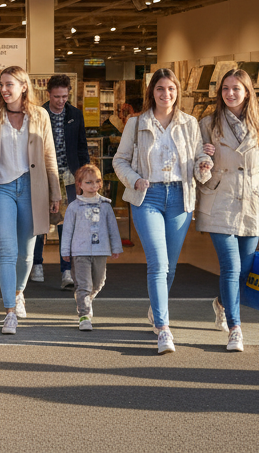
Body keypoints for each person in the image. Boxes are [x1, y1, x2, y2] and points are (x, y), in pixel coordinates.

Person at [112, 67, 212, 355]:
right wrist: (135, 179)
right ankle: (164, 330)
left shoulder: (190, 123)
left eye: (171, 89)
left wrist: (204, 165)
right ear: (151, 92)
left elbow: (197, 162)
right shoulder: (137, 123)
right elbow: (120, 161)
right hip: (148, 196)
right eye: (160, 89)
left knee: (170, 264)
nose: (166, 94)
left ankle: (157, 311)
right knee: (158, 262)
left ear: (177, 91)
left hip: (180, 196)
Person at [197, 68, 259, 353]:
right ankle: (235, 328)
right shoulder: (208, 124)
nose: (230, 93)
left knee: (244, 270)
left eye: (236, 88)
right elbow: (196, 171)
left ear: (247, 92)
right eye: (225, 88)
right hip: (219, 201)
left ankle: (221, 302)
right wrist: (204, 163)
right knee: (231, 267)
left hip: (253, 204)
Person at [0, 66, 63, 335]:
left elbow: (49, 155)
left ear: (24, 86)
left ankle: (18, 293)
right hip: (2, 188)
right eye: (1, 84)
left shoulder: (39, 115)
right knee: (7, 251)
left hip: (31, 189)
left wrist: (55, 192)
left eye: (9, 84)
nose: (4, 89)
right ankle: (9, 312)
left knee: (27, 254)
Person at [36, 74, 90, 287]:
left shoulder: (75, 114)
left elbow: (81, 145)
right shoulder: (39, 114)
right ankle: (37, 264)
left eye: (64, 96)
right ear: (48, 94)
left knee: (67, 225)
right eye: (57, 96)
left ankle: (66, 271)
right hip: (43, 175)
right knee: (40, 223)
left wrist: (84, 175)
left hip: (69, 175)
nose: (61, 100)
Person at [60, 164, 122, 331]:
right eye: (89, 182)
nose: (94, 186)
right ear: (79, 184)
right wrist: (65, 251)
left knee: (98, 283)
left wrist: (116, 247)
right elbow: (67, 231)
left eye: (97, 181)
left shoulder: (106, 206)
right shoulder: (74, 207)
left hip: (101, 251)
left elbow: (112, 228)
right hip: (79, 252)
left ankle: (84, 299)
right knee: (84, 285)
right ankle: (85, 314)